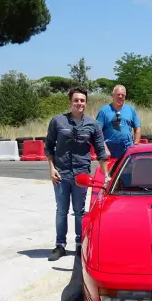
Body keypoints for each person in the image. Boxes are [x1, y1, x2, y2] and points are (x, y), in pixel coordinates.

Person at [45, 88, 110, 261]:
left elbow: (101, 151)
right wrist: (51, 168)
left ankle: (81, 244)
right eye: (76, 100)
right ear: (70, 102)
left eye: (82, 100)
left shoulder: (93, 124)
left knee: (80, 211)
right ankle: (60, 245)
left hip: (81, 175)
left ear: (86, 103)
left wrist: (107, 175)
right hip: (61, 173)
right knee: (61, 211)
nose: (79, 103)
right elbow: (49, 146)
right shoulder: (58, 121)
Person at [96, 84, 141, 158]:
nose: (120, 96)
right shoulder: (104, 111)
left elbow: (137, 128)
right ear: (113, 95)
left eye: (122, 95)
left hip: (127, 149)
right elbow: (97, 132)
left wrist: (135, 146)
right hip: (109, 150)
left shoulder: (131, 110)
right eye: (118, 94)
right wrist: (104, 149)